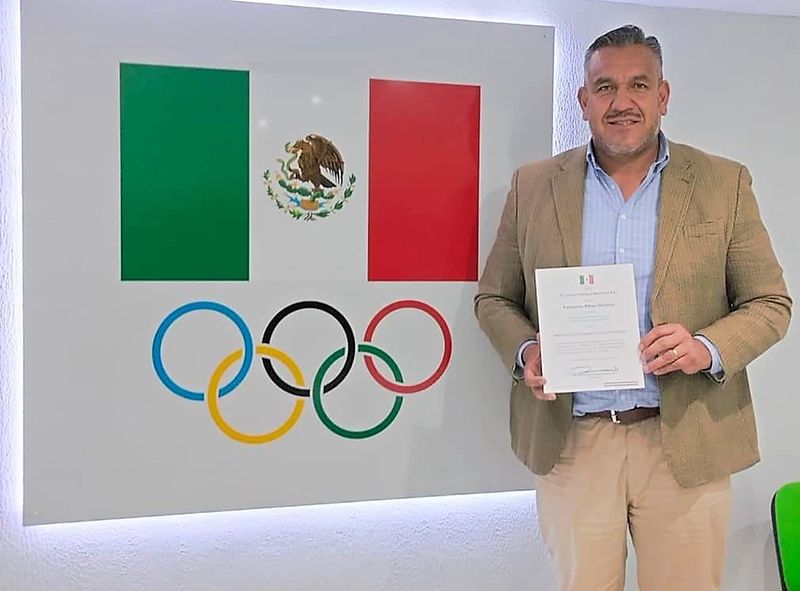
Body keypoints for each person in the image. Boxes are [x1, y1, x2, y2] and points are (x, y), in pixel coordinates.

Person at [474, 24, 792, 591]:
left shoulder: (723, 183)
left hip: (685, 440)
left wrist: (706, 348)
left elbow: (770, 303)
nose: (622, 102)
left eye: (638, 85)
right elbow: (494, 298)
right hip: (574, 442)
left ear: (662, 96)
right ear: (584, 100)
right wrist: (526, 352)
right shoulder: (534, 186)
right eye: (605, 87)